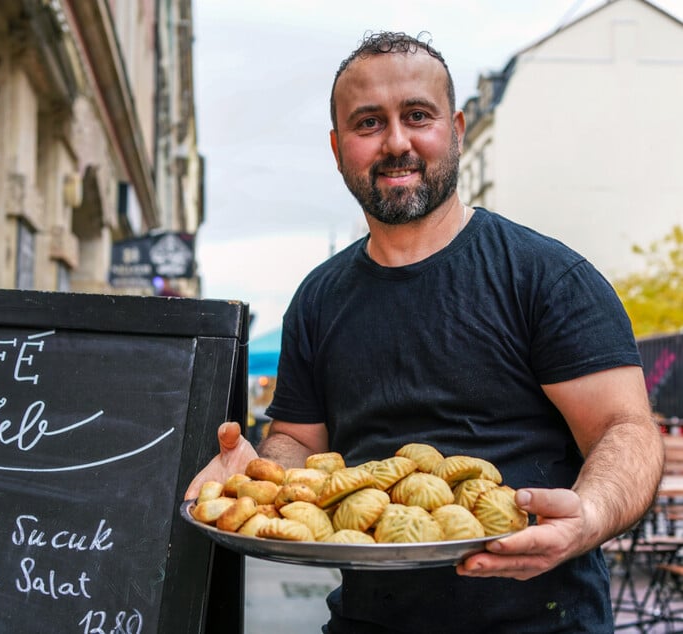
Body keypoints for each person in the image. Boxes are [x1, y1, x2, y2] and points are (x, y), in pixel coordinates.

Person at [185, 30, 664, 633]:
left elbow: (626, 429)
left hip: (543, 621)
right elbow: (298, 441)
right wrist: (262, 474)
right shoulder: (318, 299)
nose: (396, 142)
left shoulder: (546, 277)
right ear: (337, 148)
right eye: (368, 123)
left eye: (418, 115)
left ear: (456, 130)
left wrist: (589, 515)